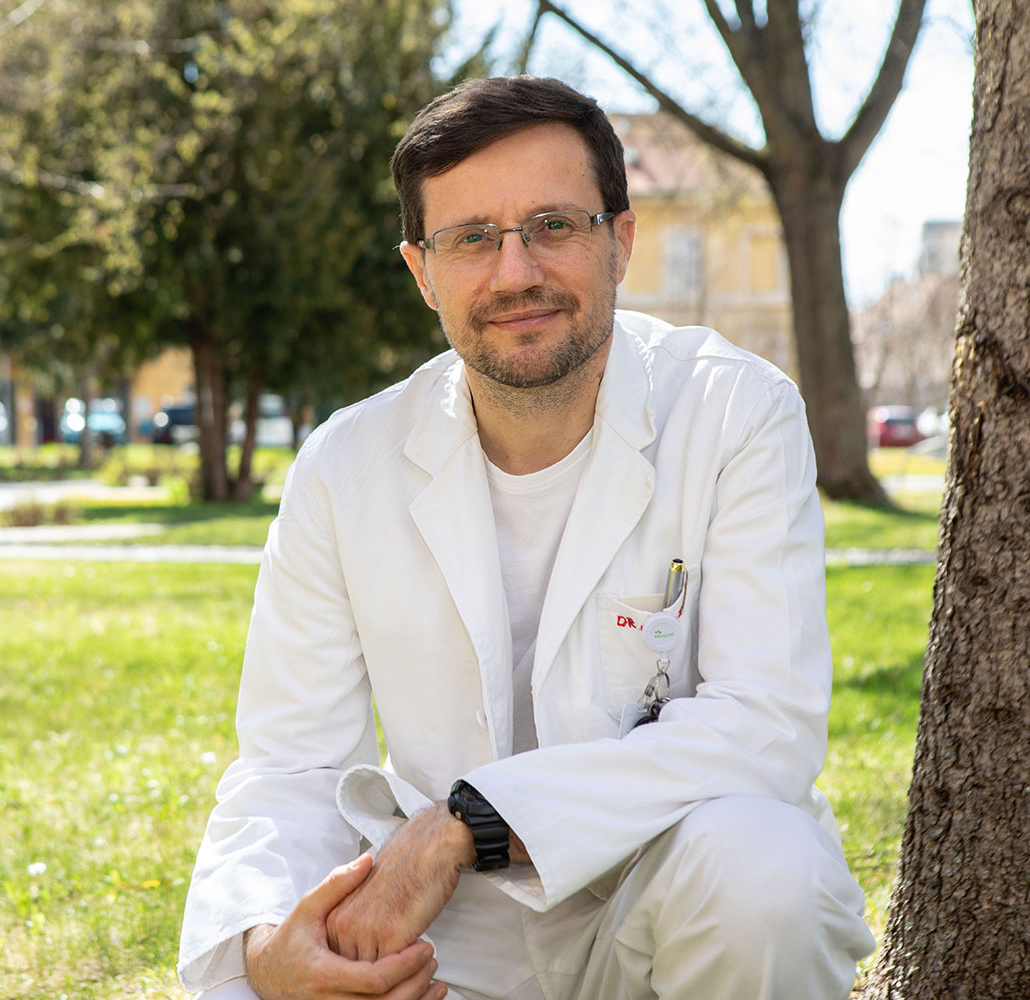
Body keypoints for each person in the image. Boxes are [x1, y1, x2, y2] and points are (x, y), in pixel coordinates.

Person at [177, 76, 875, 1000]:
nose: (515, 274)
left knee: (767, 869)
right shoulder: (345, 468)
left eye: (553, 225)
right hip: (440, 950)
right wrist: (267, 944)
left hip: (665, 906)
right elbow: (290, 765)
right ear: (422, 272)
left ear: (619, 241)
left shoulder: (733, 413)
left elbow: (764, 725)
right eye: (472, 238)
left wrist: (469, 823)